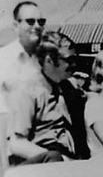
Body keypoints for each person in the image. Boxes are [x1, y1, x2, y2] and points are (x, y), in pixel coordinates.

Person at [7, 31, 82, 164]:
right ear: (49, 60)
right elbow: (16, 143)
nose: (74, 65)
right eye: (69, 60)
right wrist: (58, 160)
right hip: (40, 164)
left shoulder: (68, 87)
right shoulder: (28, 90)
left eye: (75, 59)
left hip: (68, 161)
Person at [0, 0, 46, 113]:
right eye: (30, 21)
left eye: (41, 22)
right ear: (16, 26)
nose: (37, 26)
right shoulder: (3, 58)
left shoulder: (47, 58)